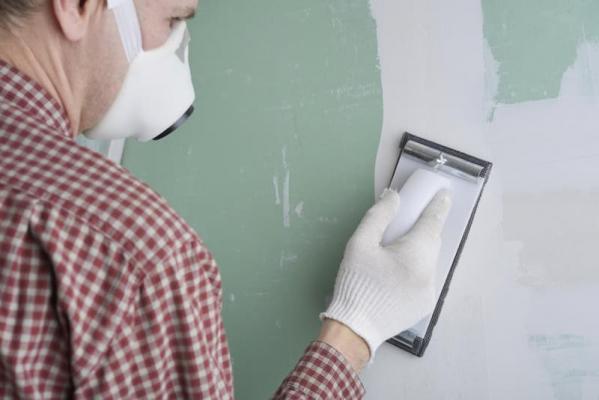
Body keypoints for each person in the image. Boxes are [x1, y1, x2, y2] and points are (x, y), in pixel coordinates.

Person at [0, 0, 451, 398]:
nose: (179, 45)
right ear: (77, 5)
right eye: (172, 19)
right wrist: (354, 331)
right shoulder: (134, 257)